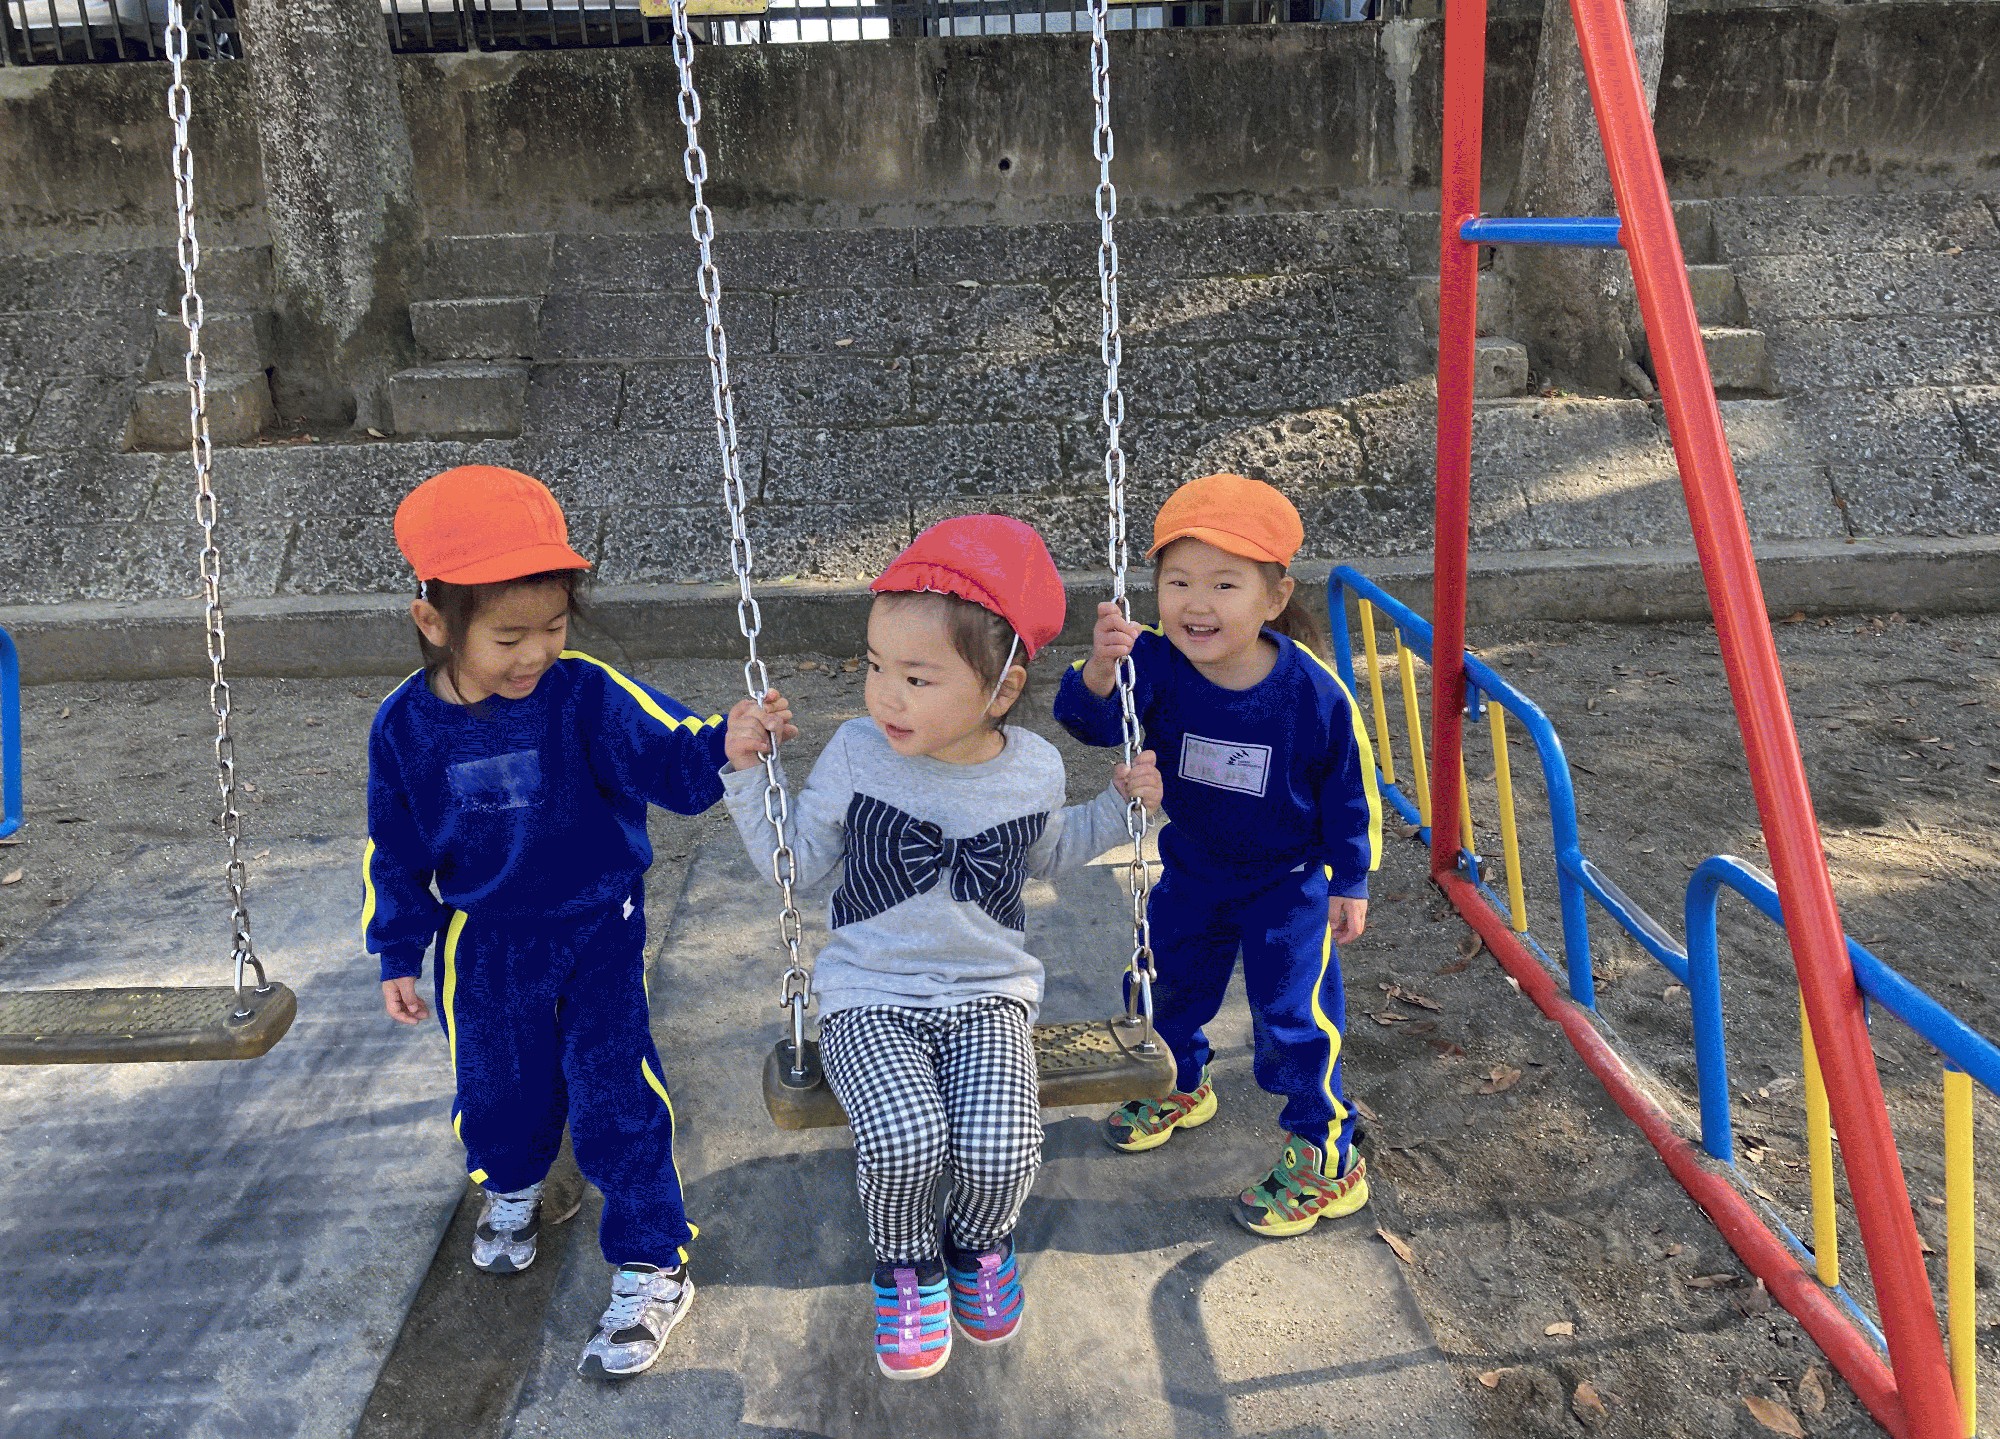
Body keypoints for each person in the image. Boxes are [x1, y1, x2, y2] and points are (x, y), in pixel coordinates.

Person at [363, 465, 791, 1379]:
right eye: (509, 636)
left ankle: (652, 1258)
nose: (535, 654)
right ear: (433, 621)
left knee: (612, 1092)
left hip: (597, 926)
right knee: (496, 1089)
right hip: (482, 942)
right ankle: (514, 1182)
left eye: (553, 627)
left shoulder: (584, 693)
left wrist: (726, 743)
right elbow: (394, 847)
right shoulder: (403, 728)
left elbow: (667, 754)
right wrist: (398, 945)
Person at [722, 515, 1162, 1380]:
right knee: (906, 1136)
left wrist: (1121, 809)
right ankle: (905, 1261)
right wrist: (749, 773)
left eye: (917, 677)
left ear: (1001, 689)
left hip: (988, 991)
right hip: (869, 992)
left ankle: (977, 1242)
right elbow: (798, 864)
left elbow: (1048, 853)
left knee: (1003, 1145)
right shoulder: (856, 754)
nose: (886, 696)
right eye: (875, 667)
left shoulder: (1032, 767)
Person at [1054, 472, 1384, 1238]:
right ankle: (1180, 1083)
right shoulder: (1155, 664)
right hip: (1194, 867)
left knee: (1292, 1019)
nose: (1196, 604)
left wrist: (1352, 877)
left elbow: (1350, 790)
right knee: (1165, 985)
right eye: (1178, 582)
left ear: (1273, 596)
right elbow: (1088, 721)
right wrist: (1100, 669)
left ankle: (1328, 1156)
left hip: (1287, 885)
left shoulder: (1312, 693)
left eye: (1224, 584)